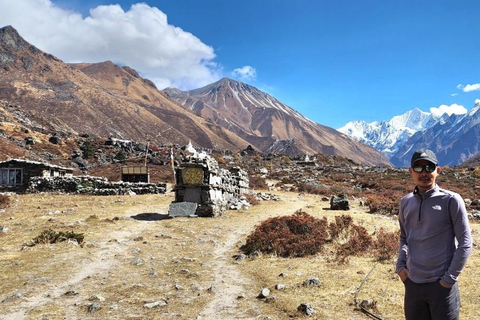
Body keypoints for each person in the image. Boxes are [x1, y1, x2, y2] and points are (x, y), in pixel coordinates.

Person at [396, 149, 472, 320]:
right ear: (410, 172)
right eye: (418, 167)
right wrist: (401, 268)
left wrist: (448, 280)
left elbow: (465, 243)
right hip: (412, 284)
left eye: (429, 167)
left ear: (437, 171)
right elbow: (404, 237)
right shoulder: (405, 202)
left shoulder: (451, 200)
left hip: (441, 287)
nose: (424, 172)